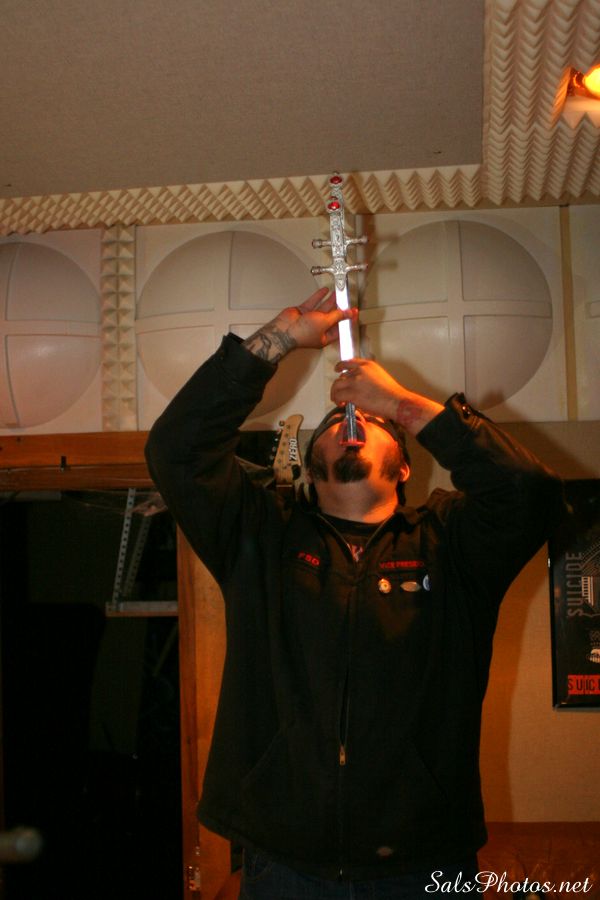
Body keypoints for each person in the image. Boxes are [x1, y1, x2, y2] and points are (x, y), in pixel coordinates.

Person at [145, 286, 566, 899]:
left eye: (374, 422)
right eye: (337, 422)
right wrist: (277, 340)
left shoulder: (451, 544)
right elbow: (176, 451)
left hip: (426, 861)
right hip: (283, 862)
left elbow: (532, 495)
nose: (352, 422)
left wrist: (400, 403)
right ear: (311, 466)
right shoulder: (262, 535)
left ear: (405, 465)